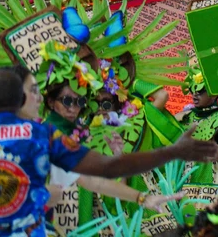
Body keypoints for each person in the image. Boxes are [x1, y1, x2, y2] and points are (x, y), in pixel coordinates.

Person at [0, 66, 218, 237]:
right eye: (34, 92)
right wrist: (173, 152)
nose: (38, 97)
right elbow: (107, 168)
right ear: (20, 100)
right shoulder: (40, 136)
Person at [42, 78, 185, 223]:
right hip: (129, 219)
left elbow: (162, 95)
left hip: (164, 206)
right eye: (93, 103)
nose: (100, 108)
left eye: (106, 103)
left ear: (117, 102)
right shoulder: (85, 140)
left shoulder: (139, 120)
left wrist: (127, 79)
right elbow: (106, 192)